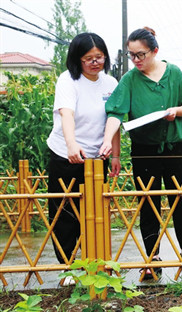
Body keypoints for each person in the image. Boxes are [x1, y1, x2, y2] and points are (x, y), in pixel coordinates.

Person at [98, 27, 182, 279]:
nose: (136, 60)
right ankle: (151, 257)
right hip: (144, 149)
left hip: (176, 146)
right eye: (131, 56)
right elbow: (115, 112)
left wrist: (176, 111)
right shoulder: (130, 80)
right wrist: (107, 142)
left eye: (140, 54)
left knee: (181, 198)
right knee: (148, 200)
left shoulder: (174, 73)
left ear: (155, 51)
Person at [47, 33, 121, 274]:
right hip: (66, 154)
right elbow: (66, 113)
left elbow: (115, 118)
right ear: (77, 60)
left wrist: (116, 155)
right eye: (88, 58)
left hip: (97, 158)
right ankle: (67, 267)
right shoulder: (68, 80)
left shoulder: (110, 84)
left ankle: (96, 264)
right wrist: (71, 144)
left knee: (96, 213)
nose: (94, 62)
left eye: (99, 57)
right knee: (65, 211)